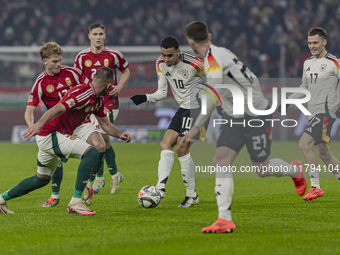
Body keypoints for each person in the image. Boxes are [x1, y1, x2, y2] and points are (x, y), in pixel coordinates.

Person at [184, 21, 306, 233]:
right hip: (236, 116)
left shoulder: (212, 60)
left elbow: (212, 94)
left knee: (262, 169)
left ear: (190, 42)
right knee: (220, 159)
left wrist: (196, 128)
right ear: (210, 36)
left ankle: (295, 170)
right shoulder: (223, 52)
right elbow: (252, 79)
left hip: (255, 115)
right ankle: (224, 219)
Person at [0, 67, 131, 215]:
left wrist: (120, 135)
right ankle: (75, 202)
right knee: (92, 153)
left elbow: (105, 124)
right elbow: (56, 108)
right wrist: (38, 125)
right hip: (51, 134)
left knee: (41, 179)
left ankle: (1, 200)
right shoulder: (83, 92)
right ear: (108, 86)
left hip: (51, 136)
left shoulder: (98, 99)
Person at [25, 42, 106, 208]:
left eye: (60, 60)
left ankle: (89, 183)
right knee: (55, 162)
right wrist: (32, 126)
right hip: (57, 125)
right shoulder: (40, 82)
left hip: (79, 120)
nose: (58, 64)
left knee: (100, 146)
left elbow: (89, 87)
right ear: (44, 61)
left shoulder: (73, 73)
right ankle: (55, 195)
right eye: (54, 61)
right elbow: (29, 111)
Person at [130, 36, 207, 207]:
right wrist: (144, 98)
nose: (166, 59)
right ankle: (161, 188)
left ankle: (190, 195)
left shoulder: (195, 63)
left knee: (181, 147)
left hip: (197, 108)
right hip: (183, 108)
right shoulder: (160, 64)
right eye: (164, 55)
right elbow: (162, 92)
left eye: (170, 56)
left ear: (178, 52)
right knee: (165, 144)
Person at [74, 22, 130, 196]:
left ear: (105, 36)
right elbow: (77, 78)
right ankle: (113, 175)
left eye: (101, 34)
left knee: (101, 138)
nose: (98, 37)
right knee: (102, 141)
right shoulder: (82, 57)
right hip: (91, 104)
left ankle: (99, 177)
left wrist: (119, 86)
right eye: (95, 34)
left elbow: (126, 71)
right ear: (89, 36)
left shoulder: (113, 54)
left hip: (110, 103)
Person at [288, 27, 340, 201]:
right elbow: (304, 87)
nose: (312, 46)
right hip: (314, 112)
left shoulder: (334, 62)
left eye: (316, 42)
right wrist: (289, 101)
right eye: (310, 43)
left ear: (324, 42)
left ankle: (315, 187)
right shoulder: (307, 63)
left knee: (304, 144)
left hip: (327, 112)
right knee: (324, 154)